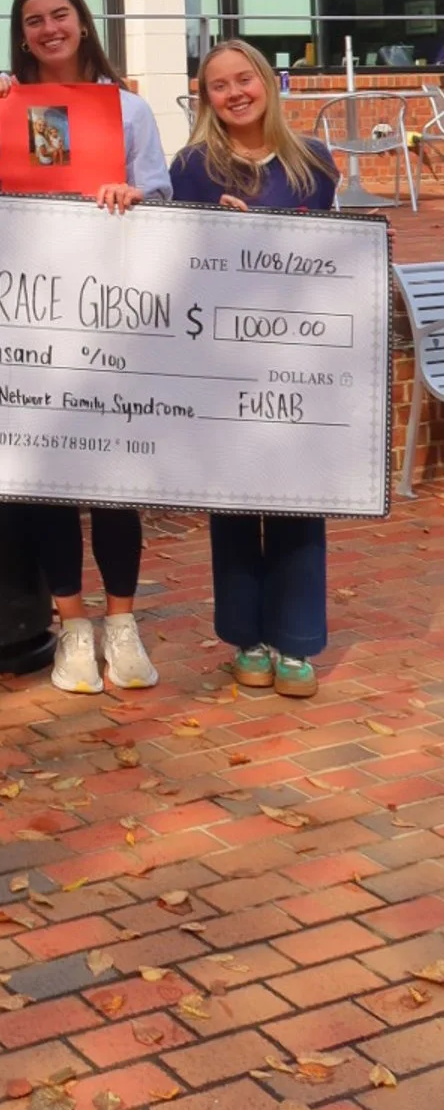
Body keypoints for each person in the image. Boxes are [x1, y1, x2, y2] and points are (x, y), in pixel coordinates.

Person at [0, 0, 170, 696]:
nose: (49, 28)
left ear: (83, 24)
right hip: (27, 310)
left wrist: (133, 194)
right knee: (51, 479)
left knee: (113, 476)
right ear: (21, 35)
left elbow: (160, 191)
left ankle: (123, 624)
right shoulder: (4, 102)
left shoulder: (129, 109)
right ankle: (73, 629)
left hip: (109, 307)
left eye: (60, 15)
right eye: (34, 21)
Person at [170, 39, 339, 699]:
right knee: (235, 501)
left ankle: (296, 642)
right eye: (219, 85)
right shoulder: (191, 168)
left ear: (267, 83)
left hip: (298, 361)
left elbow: (330, 257)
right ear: (205, 97)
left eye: (245, 79)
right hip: (222, 361)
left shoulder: (314, 164)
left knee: (300, 499)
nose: (235, 92)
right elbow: (175, 256)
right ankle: (246, 637)